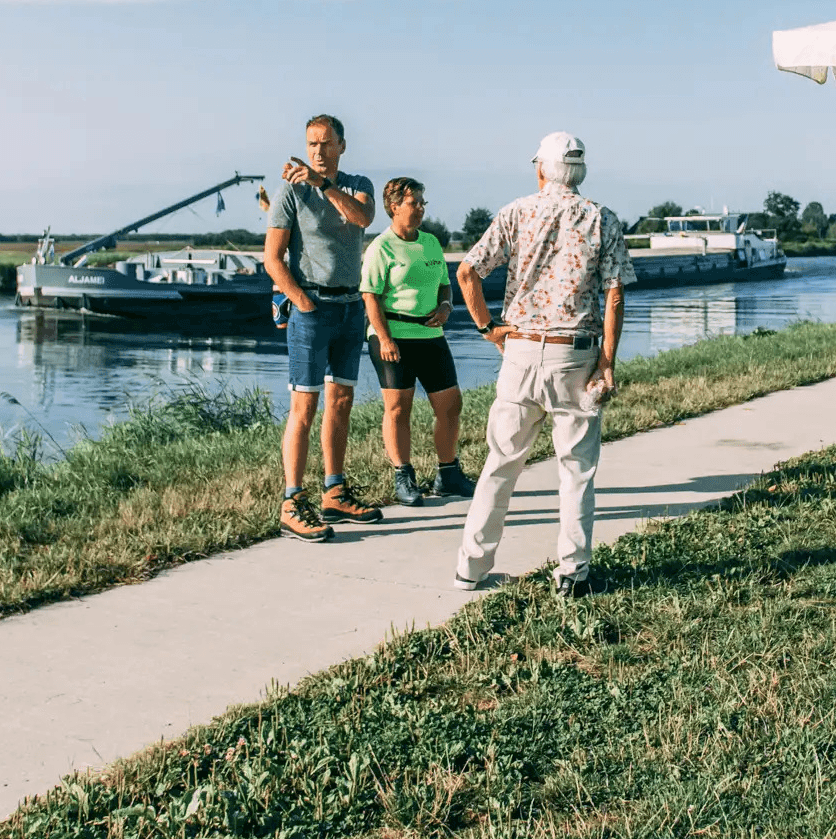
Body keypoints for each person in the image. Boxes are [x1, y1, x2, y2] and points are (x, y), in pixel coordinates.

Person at [454, 131, 634, 598]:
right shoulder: (602, 218)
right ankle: (572, 574)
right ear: (580, 171)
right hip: (574, 354)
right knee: (576, 468)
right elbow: (614, 295)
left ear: (540, 169)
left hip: (520, 349)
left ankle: (470, 568)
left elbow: (468, 271)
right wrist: (607, 362)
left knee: (501, 462)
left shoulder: (517, 212)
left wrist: (487, 328)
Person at [263, 114, 380, 542]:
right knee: (304, 407)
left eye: (327, 143)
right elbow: (273, 258)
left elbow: (363, 218)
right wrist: (301, 302)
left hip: (351, 308)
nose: (318, 151)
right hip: (312, 309)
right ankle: (292, 502)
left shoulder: (357, 184)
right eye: (312, 144)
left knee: (342, 401)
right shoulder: (289, 192)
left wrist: (323, 184)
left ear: (342, 146)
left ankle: (334, 491)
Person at [360, 178, 474, 507]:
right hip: (392, 336)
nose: (421, 208)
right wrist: (384, 338)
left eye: (423, 202)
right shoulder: (380, 247)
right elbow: (370, 298)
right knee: (399, 409)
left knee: (450, 405)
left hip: (431, 335)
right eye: (414, 203)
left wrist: (446, 305)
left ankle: (448, 474)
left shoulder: (432, 243)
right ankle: (403, 475)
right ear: (394, 207)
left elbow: (444, 285)